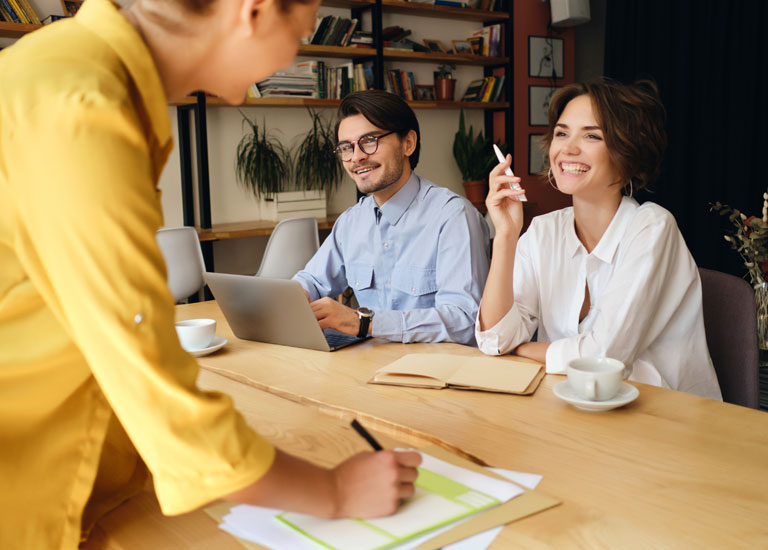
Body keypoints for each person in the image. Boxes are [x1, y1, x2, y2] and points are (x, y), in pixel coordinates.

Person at [0, 0, 421, 547]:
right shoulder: (84, 104)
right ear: (254, 12)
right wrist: (334, 493)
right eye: (302, 28)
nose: (293, 53)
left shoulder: (67, 70)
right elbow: (140, 356)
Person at [476, 78, 722, 400]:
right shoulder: (542, 231)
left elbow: (606, 357)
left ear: (626, 152)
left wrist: (521, 349)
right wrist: (506, 237)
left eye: (591, 135)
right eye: (561, 133)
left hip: (664, 415)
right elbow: (495, 339)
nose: (568, 148)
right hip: (576, 406)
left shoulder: (652, 228)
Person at [293, 90, 490, 345]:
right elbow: (312, 282)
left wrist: (364, 323)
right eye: (346, 147)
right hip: (368, 366)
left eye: (370, 141)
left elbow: (464, 320)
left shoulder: (454, 217)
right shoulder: (351, 222)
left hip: (435, 373)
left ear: (408, 143)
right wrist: (288, 299)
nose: (356, 157)